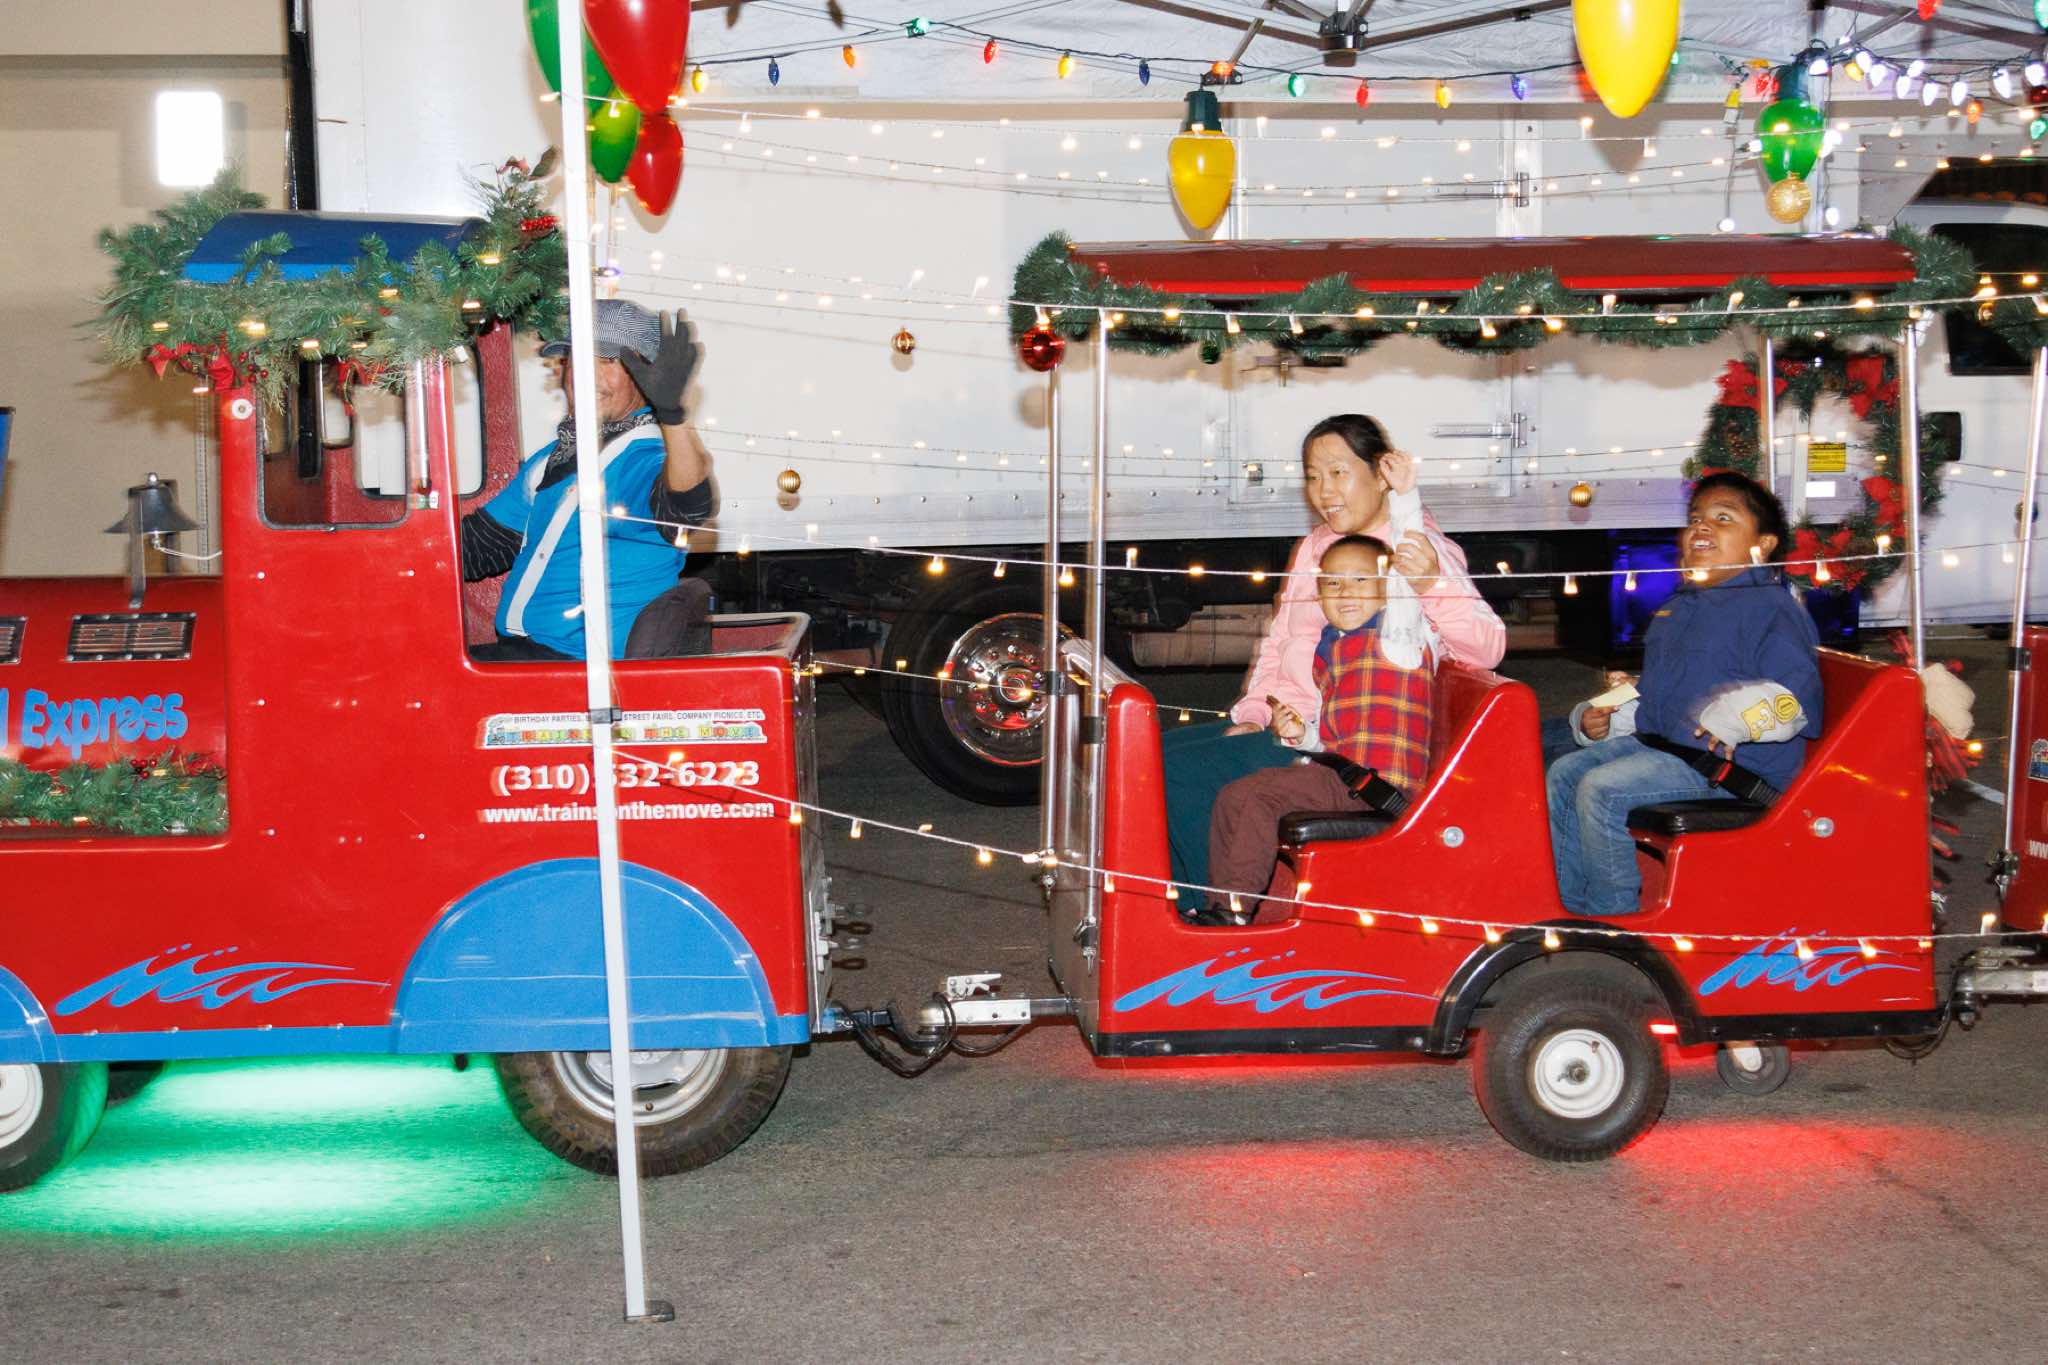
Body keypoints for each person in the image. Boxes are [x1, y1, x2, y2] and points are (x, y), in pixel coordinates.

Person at [1161, 413, 1505, 894]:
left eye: (1338, 473)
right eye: (1313, 477)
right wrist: (1255, 712)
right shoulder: (1316, 546)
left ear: (1381, 475)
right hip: (1286, 721)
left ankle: (1213, 907)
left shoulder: (1411, 546)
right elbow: (1281, 639)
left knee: (1172, 774)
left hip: (1332, 742)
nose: (1324, 491)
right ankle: (1180, 895)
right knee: (1156, 752)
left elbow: (1488, 646)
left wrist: (1432, 582)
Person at [1546, 471, 1822, 918]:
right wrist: (1601, 716)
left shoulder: (1772, 608)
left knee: (1602, 790)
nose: (1702, 526)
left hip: (1734, 767)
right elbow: (1655, 692)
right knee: (1564, 772)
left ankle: (1615, 920)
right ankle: (1569, 907)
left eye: (1723, 517)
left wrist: (1733, 718)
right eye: (1695, 518)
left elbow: (1794, 700)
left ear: (1763, 544)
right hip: (1672, 749)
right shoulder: (1678, 607)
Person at [1189, 534, 1436, 925]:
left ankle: (1234, 911)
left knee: (1259, 797)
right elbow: (1335, 739)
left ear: (1390, 588)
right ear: (1319, 595)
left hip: (1381, 785)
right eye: (1332, 583)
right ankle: (1234, 911)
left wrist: (1404, 508)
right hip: (1346, 776)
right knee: (1233, 796)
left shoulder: (1398, 638)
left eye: (1360, 580)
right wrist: (1303, 734)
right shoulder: (1332, 649)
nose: (1345, 592)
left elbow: (1406, 577)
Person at [460, 299, 712, 660]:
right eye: (577, 358)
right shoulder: (553, 458)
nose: (588, 376)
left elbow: (688, 504)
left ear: (647, 378)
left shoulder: (641, 457)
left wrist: (674, 414)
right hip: (528, 657)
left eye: (608, 360)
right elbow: (477, 547)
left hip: (581, 666)